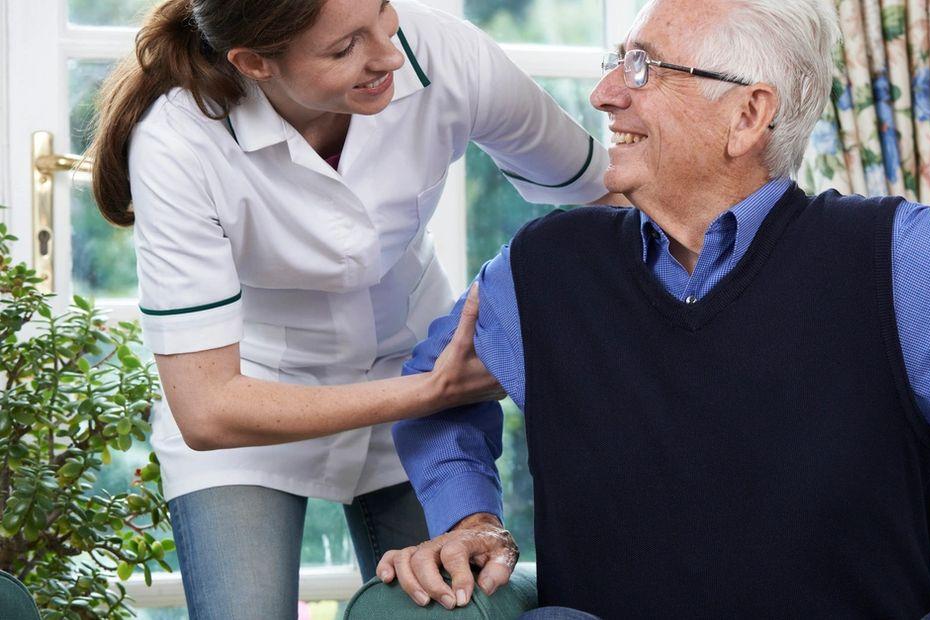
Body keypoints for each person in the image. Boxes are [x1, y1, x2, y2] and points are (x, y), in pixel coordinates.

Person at [375, 0, 930, 618]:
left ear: (747, 115)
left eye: (643, 68)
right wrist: (468, 517)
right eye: (615, 59)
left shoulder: (896, 261)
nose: (603, 94)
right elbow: (433, 380)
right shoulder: (545, 266)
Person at [87, 0, 617, 616]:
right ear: (255, 62)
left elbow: (606, 195)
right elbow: (208, 410)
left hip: (412, 364)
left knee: (447, 608)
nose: (390, 54)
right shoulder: (179, 140)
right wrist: (433, 391)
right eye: (344, 49)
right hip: (254, 400)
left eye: (385, 11)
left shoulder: (447, 55)